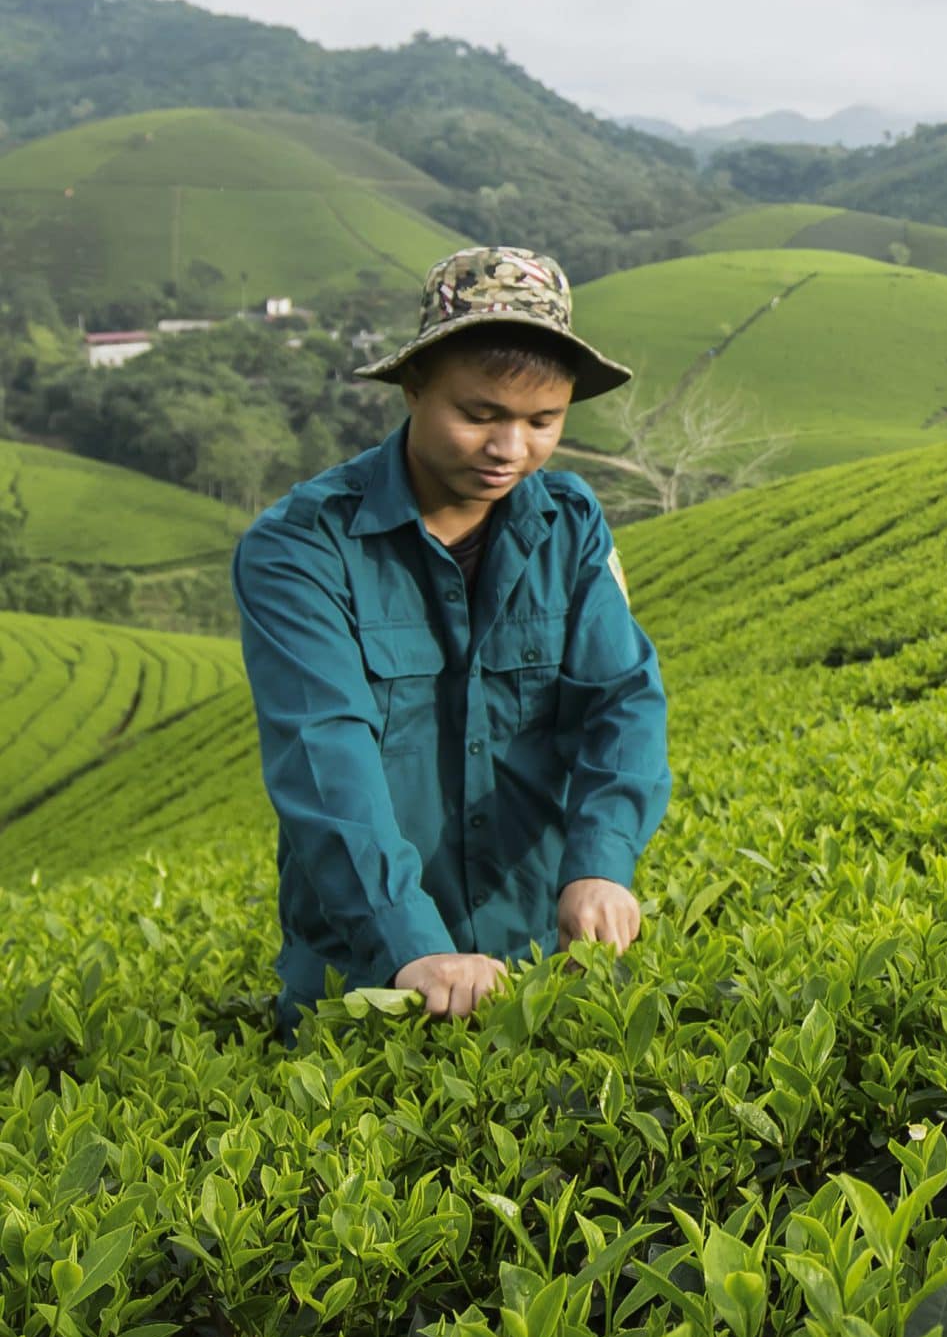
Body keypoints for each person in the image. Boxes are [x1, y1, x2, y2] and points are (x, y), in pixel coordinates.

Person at [233, 247, 671, 1022]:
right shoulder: (301, 549)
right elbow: (324, 753)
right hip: (365, 979)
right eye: (480, 416)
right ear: (414, 387)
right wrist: (410, 943)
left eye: (544, 422)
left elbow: (621, 701)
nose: (511, 451)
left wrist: (601, 866)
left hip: (543, 970)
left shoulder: (569, 527)